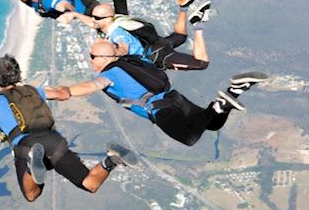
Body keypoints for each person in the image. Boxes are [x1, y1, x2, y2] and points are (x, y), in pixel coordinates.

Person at [0, 54, 135, 202]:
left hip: (26, 145)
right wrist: (62, 89)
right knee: (89, 184)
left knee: (32, 195)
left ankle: (31, 166)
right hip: (55, 141)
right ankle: (112, 160)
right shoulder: (36, 91)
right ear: (18, 74)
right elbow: (64, 94)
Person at [46, 39, 267, 148]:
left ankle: (218, 106)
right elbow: (122, 46)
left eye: (92, 56)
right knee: (212, 124)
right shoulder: (132, 59)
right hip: (174, 97)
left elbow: (90, 87)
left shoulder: (111, 74)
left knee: (190, 138)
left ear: (103, 59)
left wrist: (63, 92)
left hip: (161, 110)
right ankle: (234, 91)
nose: (90, 59)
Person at [71, 0, 214, 71]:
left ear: (107, 19)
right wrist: (76, 15)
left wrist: (109, 55)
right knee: (180, 37)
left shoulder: (117, 34)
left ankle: (198, 24)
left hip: (157, 56)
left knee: (201, 64)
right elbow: (98, 19)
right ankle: (184, 7)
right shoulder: (116, 21)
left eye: (97, 18)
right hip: (157, 43)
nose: (93, 20)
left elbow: (123, 46)